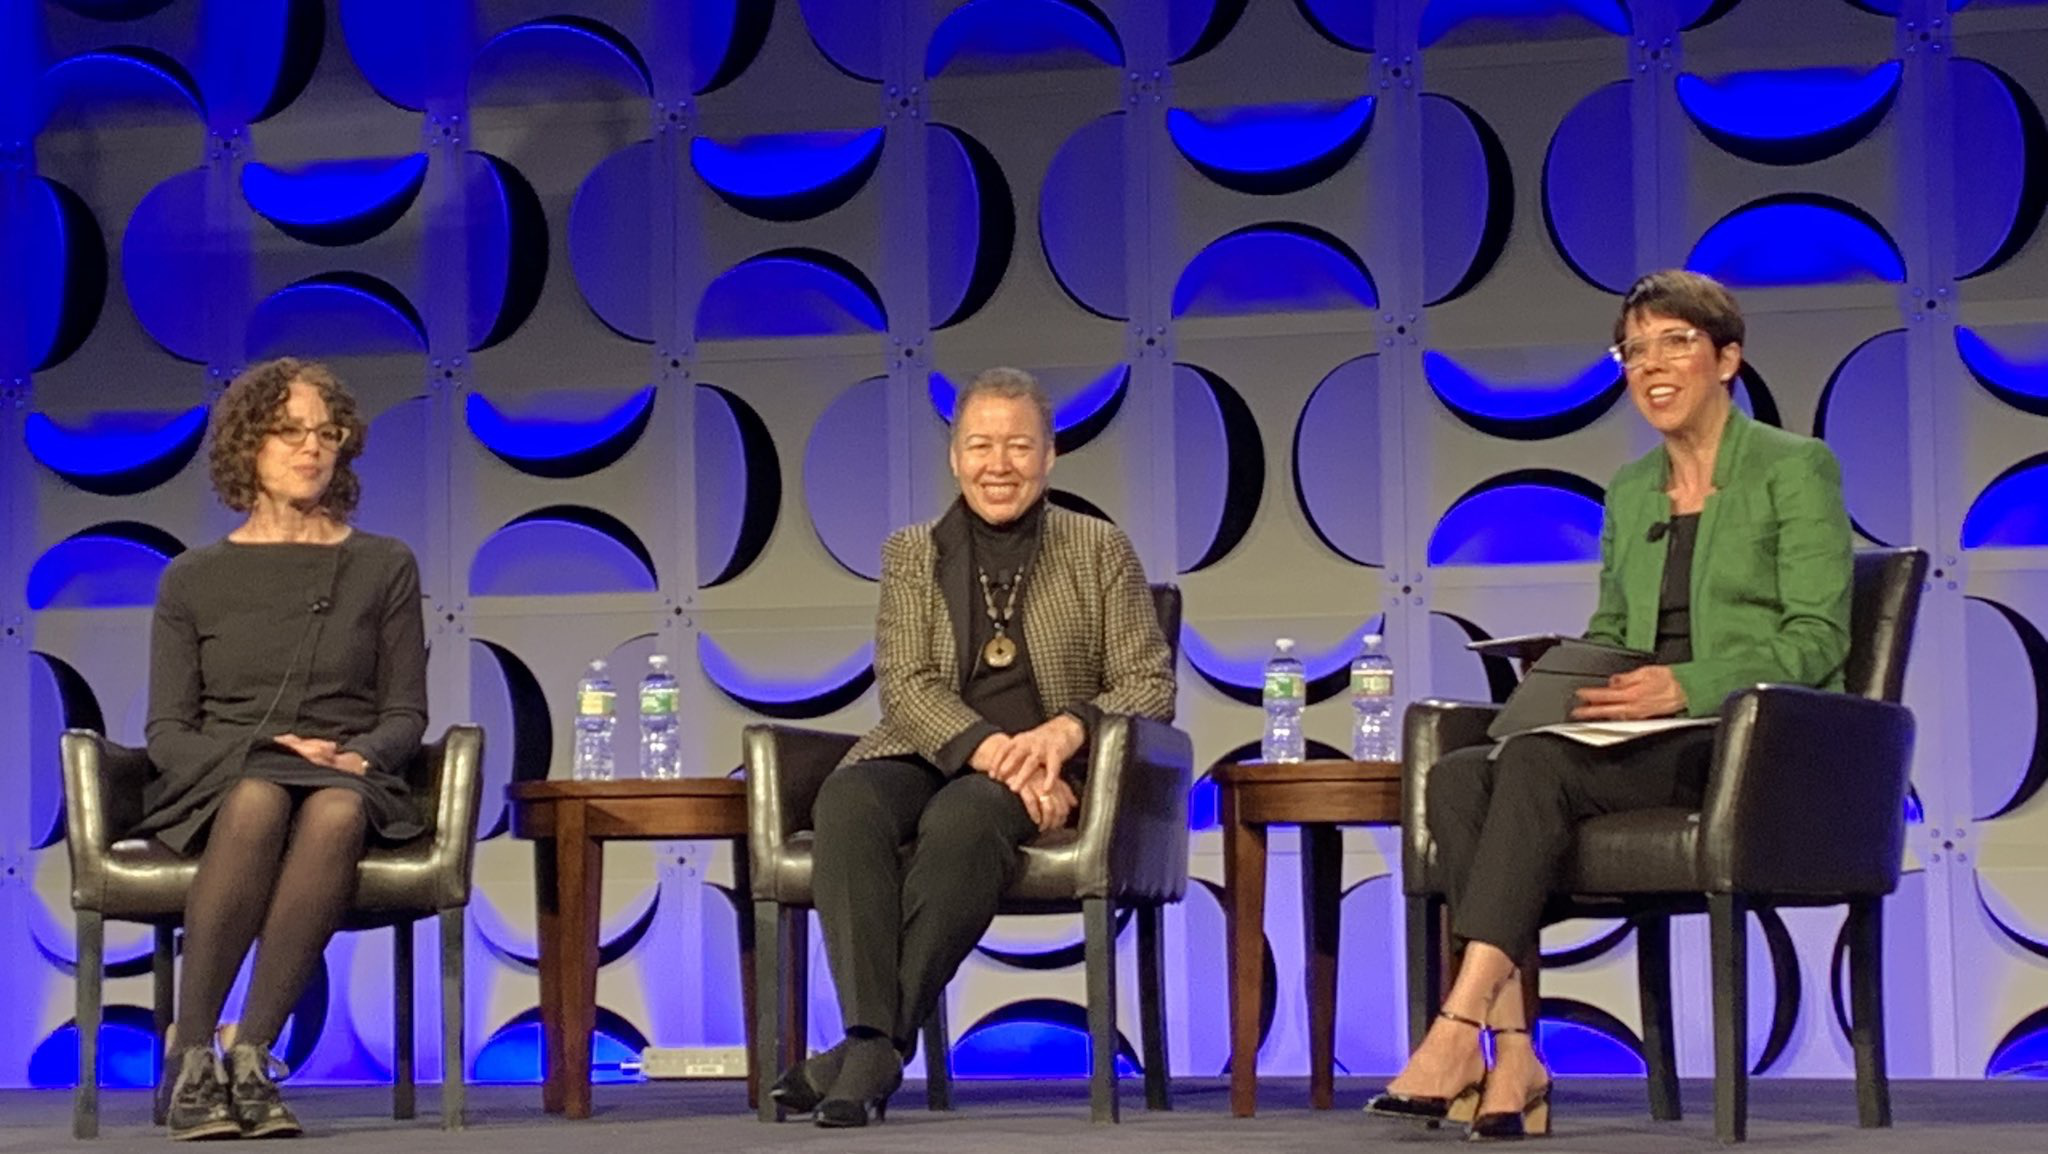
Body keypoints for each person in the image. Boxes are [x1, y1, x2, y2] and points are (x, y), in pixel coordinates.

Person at [1367, 271, 1853, 1140]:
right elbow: (1613, 627)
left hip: (1742, 744)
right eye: (1634, 349)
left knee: (1536, 765)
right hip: (1633, 731)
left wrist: (1688, 684)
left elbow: (1819, 640)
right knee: (1462, 776)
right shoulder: (1631, 491)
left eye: (1675, 344)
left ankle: (1456, 1031)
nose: (1651, 366)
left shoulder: (1794, 468)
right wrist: (1568, 675)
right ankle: (1516, 1056)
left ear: (1728, 358)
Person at [771, 367, 1176, 1127]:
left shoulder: (1099, 550)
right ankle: (878, 1040)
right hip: (931, 747)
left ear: (1050, 456)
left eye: (1019, 446)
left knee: (966, 820)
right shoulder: (911, 553)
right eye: (981, 446)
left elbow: (1148, 684)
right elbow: (906, 682)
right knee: (848, 800)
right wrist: (993, 750)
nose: (1000, 465)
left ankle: (861, 1052)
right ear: (955, 457)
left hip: (1037, 771)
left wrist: (1064, 730)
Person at [134, 358, 428, 1139]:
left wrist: (361, 757)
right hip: (225, 780)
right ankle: (193, 1053)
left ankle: (253, 1054)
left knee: (332, 811)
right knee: (260, 799)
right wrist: (262, 753)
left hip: (345, 777)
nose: (312, 449)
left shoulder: (384, 564)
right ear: (246, 448)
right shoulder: (191, 579)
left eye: (327, 433)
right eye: (289, 432)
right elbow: (166, 732)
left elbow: (405, 713)